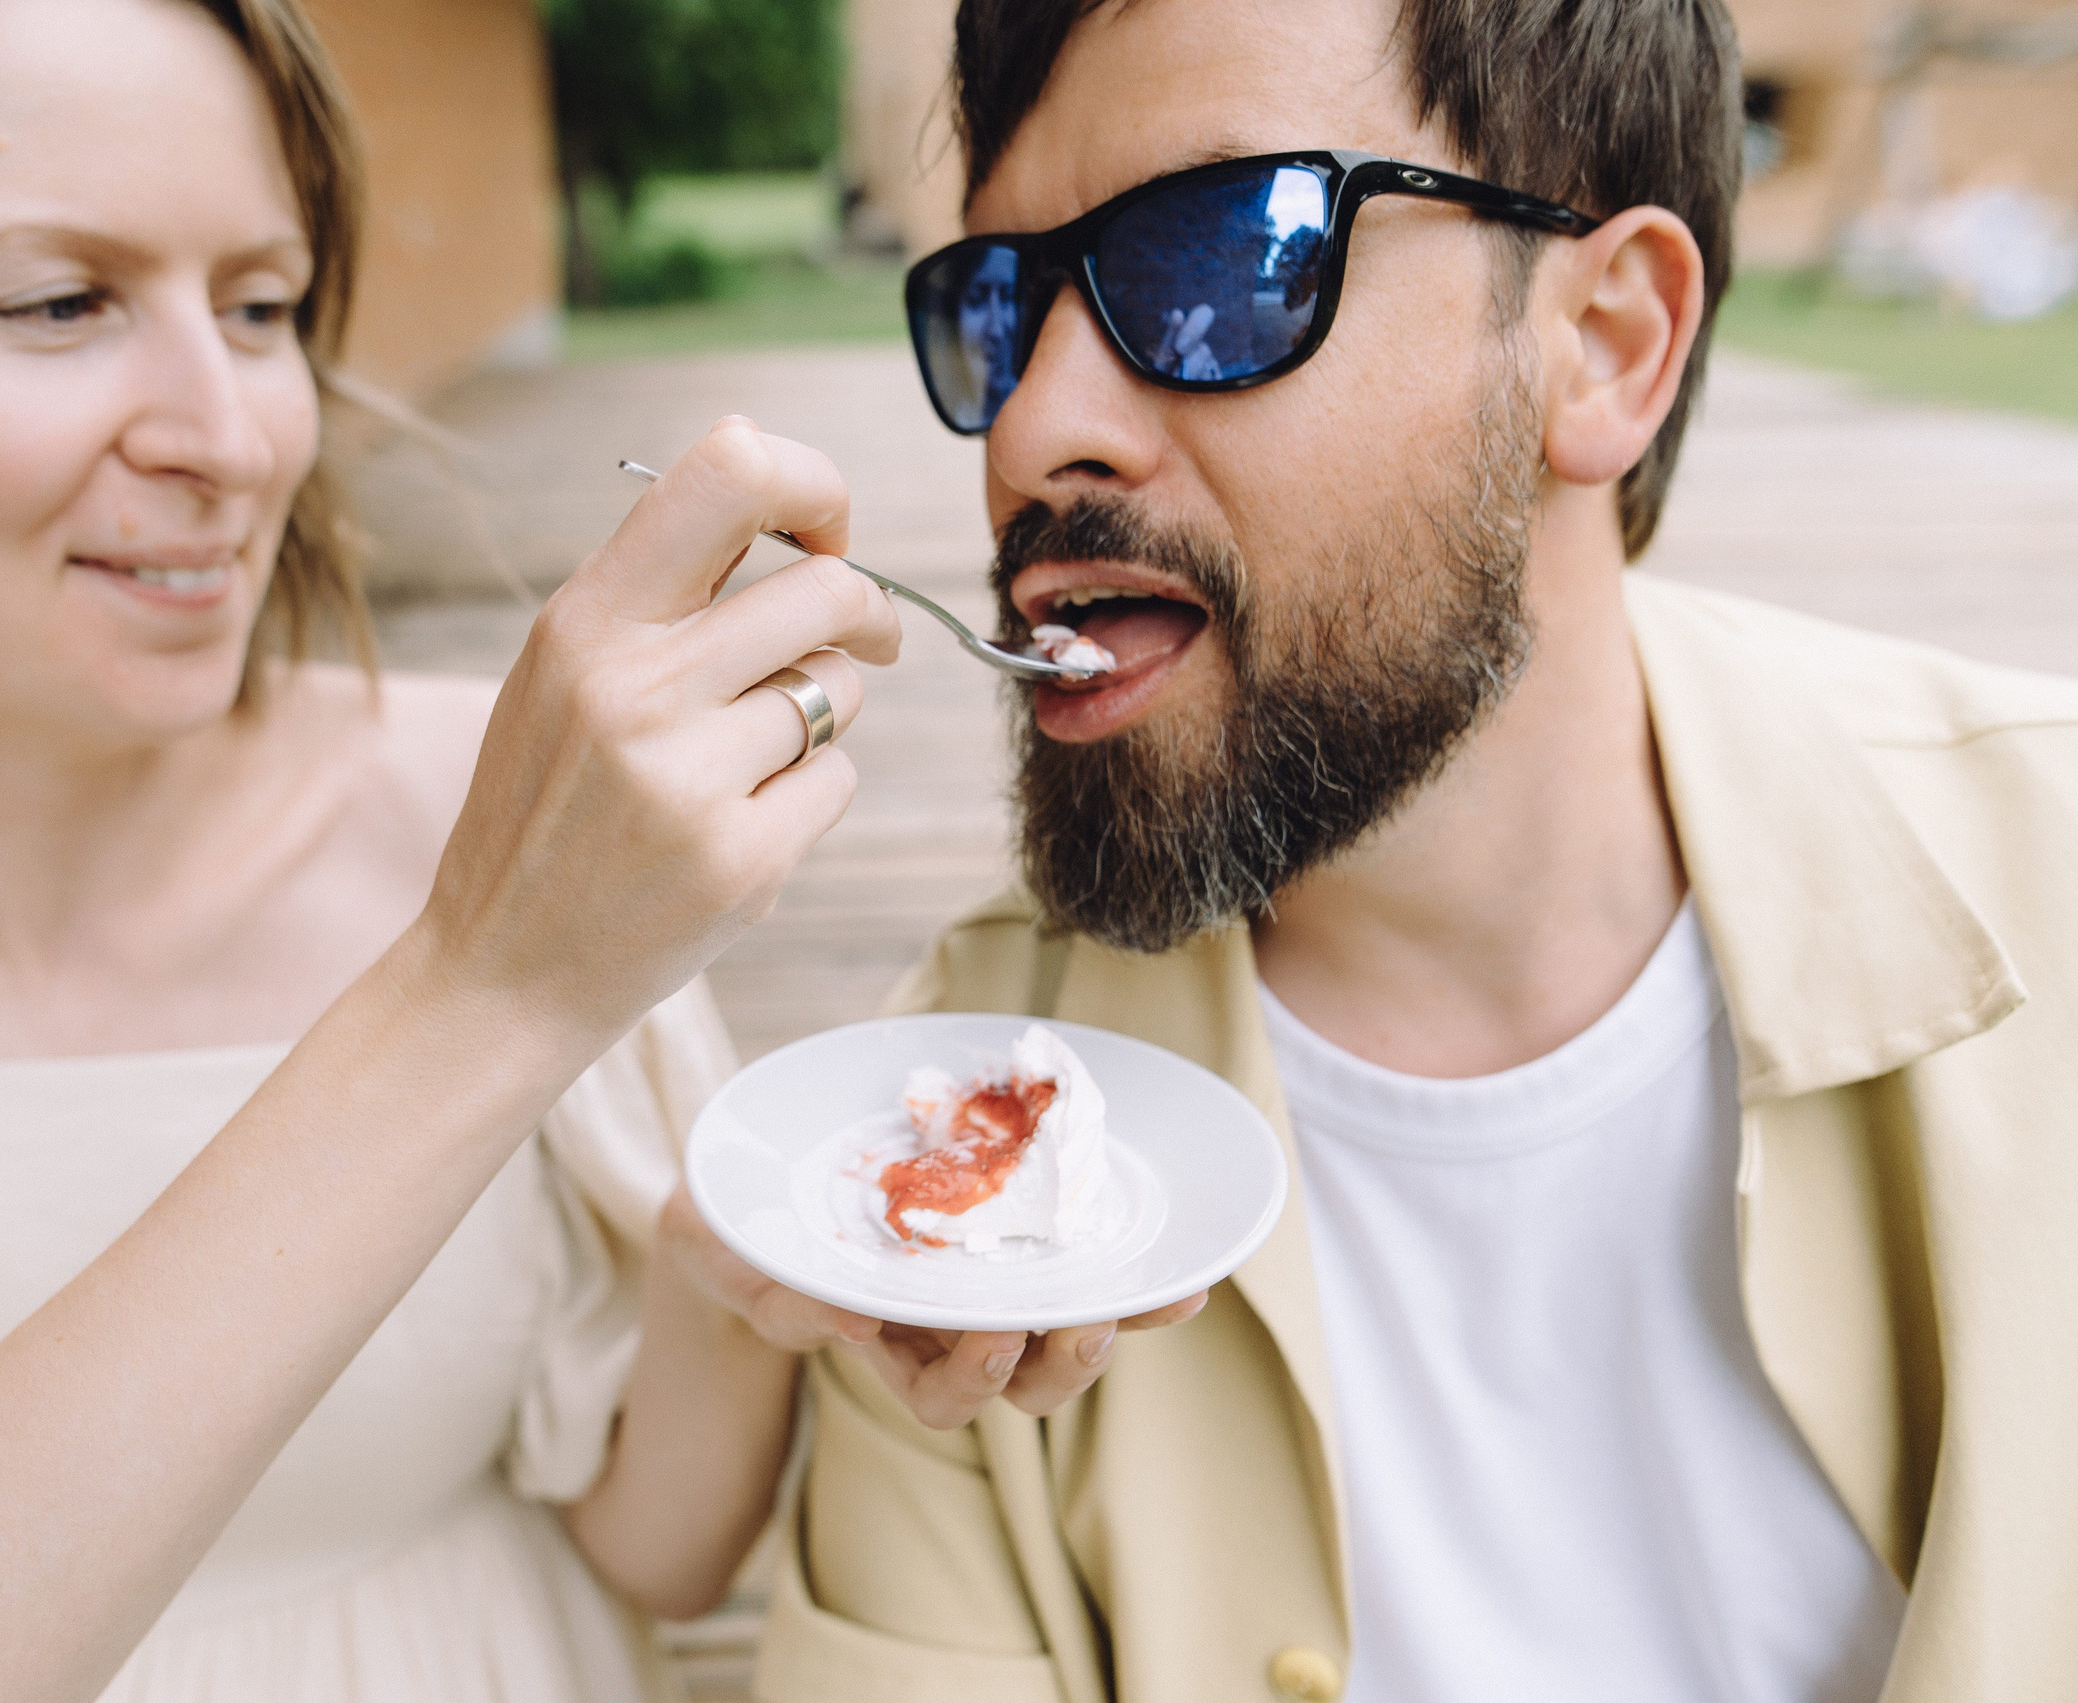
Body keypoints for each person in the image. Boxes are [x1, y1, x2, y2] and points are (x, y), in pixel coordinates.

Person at [0, 0, 931, 1698]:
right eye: (61, 303)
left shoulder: (499, 798)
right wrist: (482, 990)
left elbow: (651, 1548)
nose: (234, 434)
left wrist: (738, 1272)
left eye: (258, 306)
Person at [765, 3, 2078, 1702]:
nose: (1028, 435)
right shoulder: (939, 1145)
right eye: (1002, 307)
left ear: (1603, 341)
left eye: (1221, 260)